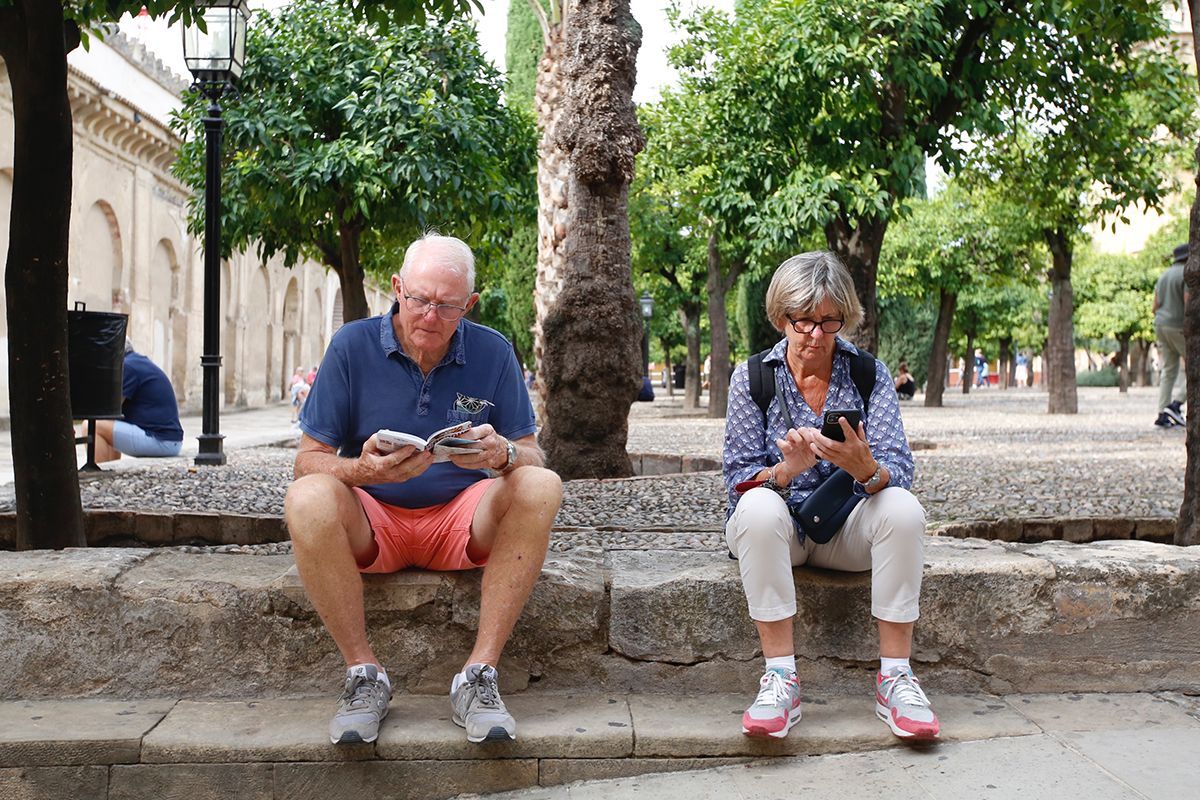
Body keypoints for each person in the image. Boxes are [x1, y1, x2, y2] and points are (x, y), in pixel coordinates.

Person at [286, 233, 562, 746]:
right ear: (397, 288)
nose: (430, 316)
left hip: (462, 520)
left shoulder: (493, 352)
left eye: (447, 305)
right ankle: (363, 673)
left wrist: (503, 454)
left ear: (469, 305)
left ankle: (479, 674)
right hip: (373, 522)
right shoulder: (351, 345)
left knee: (541, 484)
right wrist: (364, 472)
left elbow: (534, 454)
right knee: (307, 497)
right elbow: (306, 461)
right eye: (418, 299)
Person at [723, 251, 937, 742]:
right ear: (781, 318)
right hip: (777, 532)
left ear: (845, 317)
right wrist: (784, 470)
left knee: (903, 508)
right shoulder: (753, 377)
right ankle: (780, 677)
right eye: (803, 322)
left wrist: (868, 470)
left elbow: (901, 470)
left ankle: (896, 677)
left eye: (829, 321)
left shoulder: (867, 373)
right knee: (757, 508)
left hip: (845, 528)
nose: (816, 334)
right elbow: (735, 482)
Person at [91, 341, 184, 462]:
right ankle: (110, 467)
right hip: (171, 441)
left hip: (160, 441)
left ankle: (98, 474)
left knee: (92, 425)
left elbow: (109, 409)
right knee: (108, 423)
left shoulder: (127, 367)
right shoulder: (138, 362)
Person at [1153, 243, 1189, 428]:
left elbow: (1155, 306)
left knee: (1168, 370)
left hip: (1160, 325)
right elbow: (1188, 302)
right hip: (1178, 325)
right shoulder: (1187, 274)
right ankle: (1176, 404)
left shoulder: (1163, 275)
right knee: (1196, 366)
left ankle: (1162, 413)